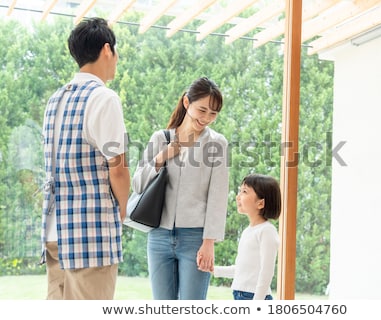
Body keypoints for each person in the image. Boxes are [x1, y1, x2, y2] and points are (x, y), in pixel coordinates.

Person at [41, 17, 130, 300]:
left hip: (55, 229)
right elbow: (117, 166)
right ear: (107, 50)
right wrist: (125, 206)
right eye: (116, 52)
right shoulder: (104, 98)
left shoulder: (55, 100)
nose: (116, 59)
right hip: (90, 233)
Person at [132, 77, 229, 300]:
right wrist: (162, 156)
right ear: (187, 102)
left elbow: (218, 196)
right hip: (158, 236)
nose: (206, 118)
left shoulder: (217, 144)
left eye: (213, 114)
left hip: (195, 240)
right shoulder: (160, 138)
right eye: (202, 110)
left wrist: (209, 243)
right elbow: (137, 184)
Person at [213, 173, 282, 300]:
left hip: (253, 297)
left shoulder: (267, 231)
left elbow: (266, 272)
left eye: (244, 191)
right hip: (240, 294)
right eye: (239, 191)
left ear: (260, 203)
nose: (238, 196)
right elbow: (242, 271)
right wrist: (214, 270)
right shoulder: (247, 231)